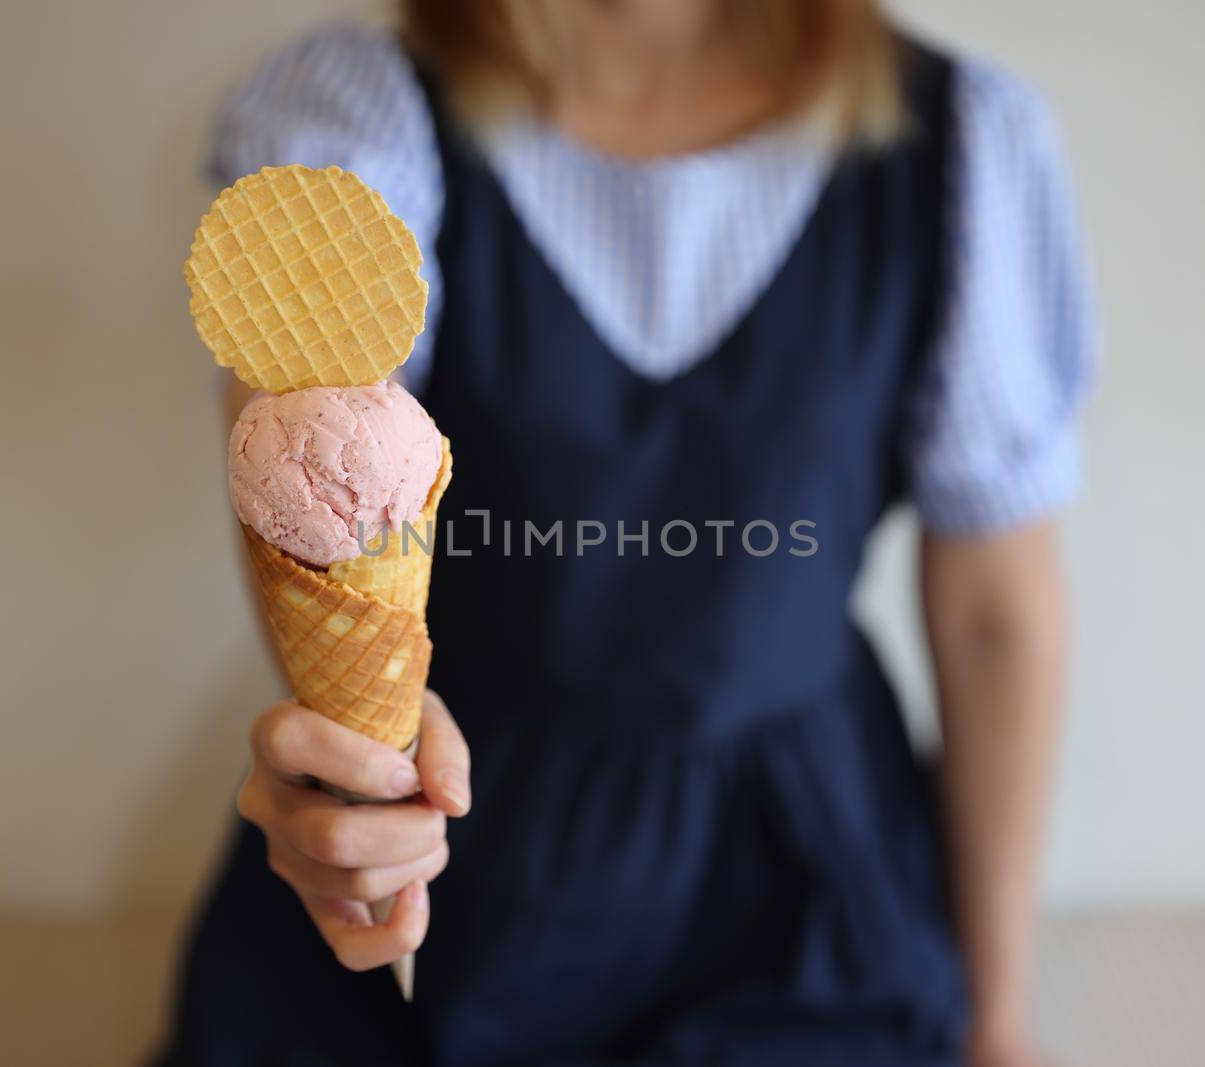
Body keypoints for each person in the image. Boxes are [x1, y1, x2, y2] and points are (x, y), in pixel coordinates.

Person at [160, 2, 1095, 1064]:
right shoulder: (360, 112)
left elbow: (993, 613)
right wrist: (361, 765)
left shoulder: (961, 143)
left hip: (803, 878)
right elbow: (308, 486)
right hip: (448, 833)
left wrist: (999, 1014)